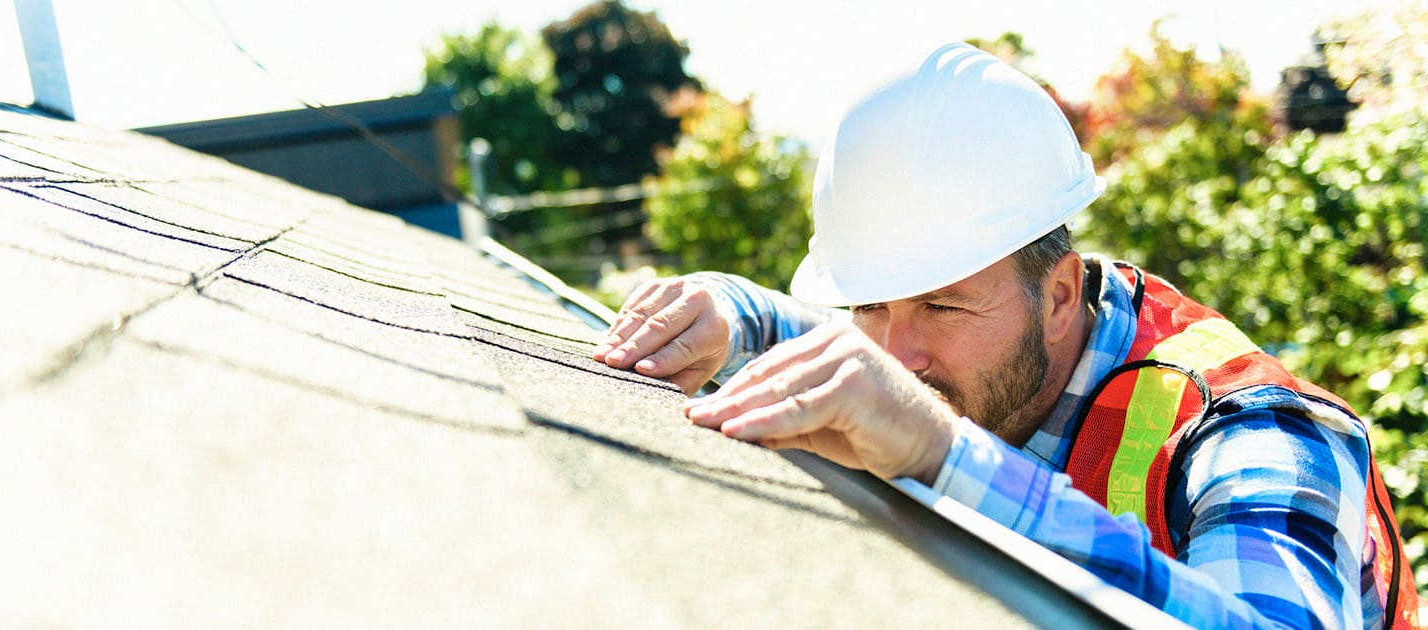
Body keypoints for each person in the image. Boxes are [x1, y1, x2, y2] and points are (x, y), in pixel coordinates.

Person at [592, 43, 1420, 628]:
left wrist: (942, 453)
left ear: (1060, 295)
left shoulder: (1257, 431)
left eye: (943, 307)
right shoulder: (968, 336)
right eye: (868, 307)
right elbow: (835, 345)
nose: (896, 357)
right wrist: (728, 310)